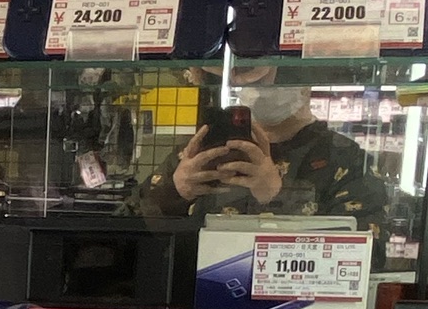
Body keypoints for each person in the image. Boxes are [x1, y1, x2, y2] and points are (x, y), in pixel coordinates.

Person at [147, 65, 388, 257]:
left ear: (306, 85)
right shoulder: (203, 149)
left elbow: (368, 254)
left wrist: (278, 196)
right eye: (249, 78)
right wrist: (174, 192)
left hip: (295, 300)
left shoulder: (346, 159)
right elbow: (137, 231)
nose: (261, 90)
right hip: (199, 296)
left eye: (279, 77)